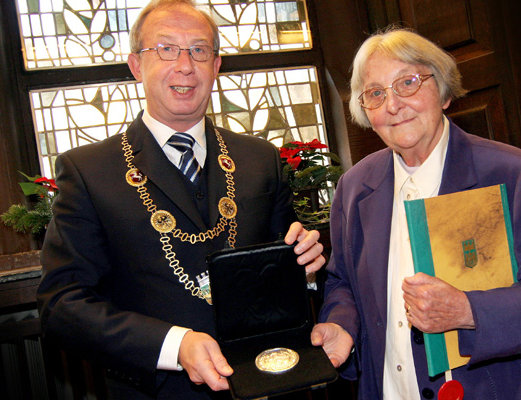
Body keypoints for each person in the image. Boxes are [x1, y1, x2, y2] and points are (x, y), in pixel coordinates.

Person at [36, 0, 325, 399]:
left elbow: (280, 273)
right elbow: (62, 306)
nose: (185, 65)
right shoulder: (88, 171)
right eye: (166, 49)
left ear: (216, 66)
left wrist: (303, 273)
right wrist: (173, 345)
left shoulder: (260, 159)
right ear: (136, 65)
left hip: (268, 383)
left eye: (199, 50)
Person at [310, 27, 521, 399]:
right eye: (376, 94)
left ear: (442, 91)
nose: (393, 105)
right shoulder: (354, 187)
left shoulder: (514, 174)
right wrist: (342, 325)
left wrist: (469, 310)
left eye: (407, 83)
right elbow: (343, 282)